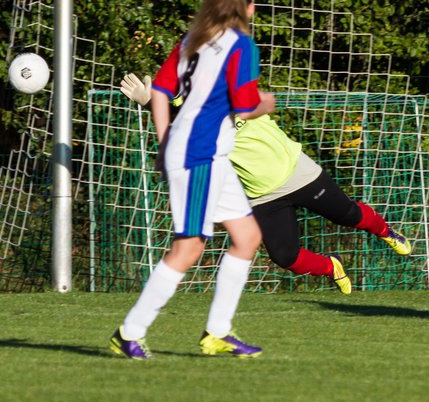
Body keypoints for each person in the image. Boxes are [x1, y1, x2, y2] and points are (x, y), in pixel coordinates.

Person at [109, 0, 275, 360]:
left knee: (247, 236)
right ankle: (129, 333)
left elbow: (161, 92)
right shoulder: (241, 46)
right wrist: (269, 103)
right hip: (199, 154)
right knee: (188, 247)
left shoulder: (191, 41)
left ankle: (217, 332)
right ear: (249, 10)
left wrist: (165, 139)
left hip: (205, 153)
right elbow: (246, 105)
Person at [120, 82, 413, 294]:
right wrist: (151, 104)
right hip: (262, 195)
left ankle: (386, 232)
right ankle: (331, 267)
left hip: (299, 173)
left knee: (348, 215)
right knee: (285, 257)